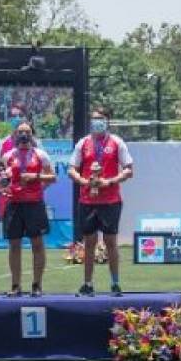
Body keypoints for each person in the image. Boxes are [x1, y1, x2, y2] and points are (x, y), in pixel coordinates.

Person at [69, 107, 133, 297]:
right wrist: (83, 181)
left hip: (110, 200)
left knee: (110, 242)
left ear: (107, 121)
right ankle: (88, 284)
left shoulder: (117, 142)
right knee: (89, 243)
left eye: (101, 119)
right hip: (87, 200)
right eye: (94, 119)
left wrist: (110, 181)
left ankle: (115, 284)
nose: (97, 122)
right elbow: (71, 169)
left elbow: (129, 169)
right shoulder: (83, 143)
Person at [0, 121, 56, 297]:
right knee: (14, 245)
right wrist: (4, 184)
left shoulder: (40, 154)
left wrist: (35, 177)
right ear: (15, 135)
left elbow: (53, 177)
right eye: (20, 132)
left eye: (27, 132)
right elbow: (0, 179)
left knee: (37, 244)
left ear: (32, 135)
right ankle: (15, 286)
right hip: (14, 204)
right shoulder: (7, 156)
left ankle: (37, 285)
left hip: (34, 204)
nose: (24, 135)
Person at [0, 103, 30, 220]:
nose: (17, 119)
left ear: (26, 118)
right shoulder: (1, 145)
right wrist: (3, 191)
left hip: (30, 207)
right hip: (6, 208)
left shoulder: (37, 145)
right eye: (13, 116)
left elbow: (48, 176)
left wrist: (34, 191)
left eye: (20, 115)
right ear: (9, 120)